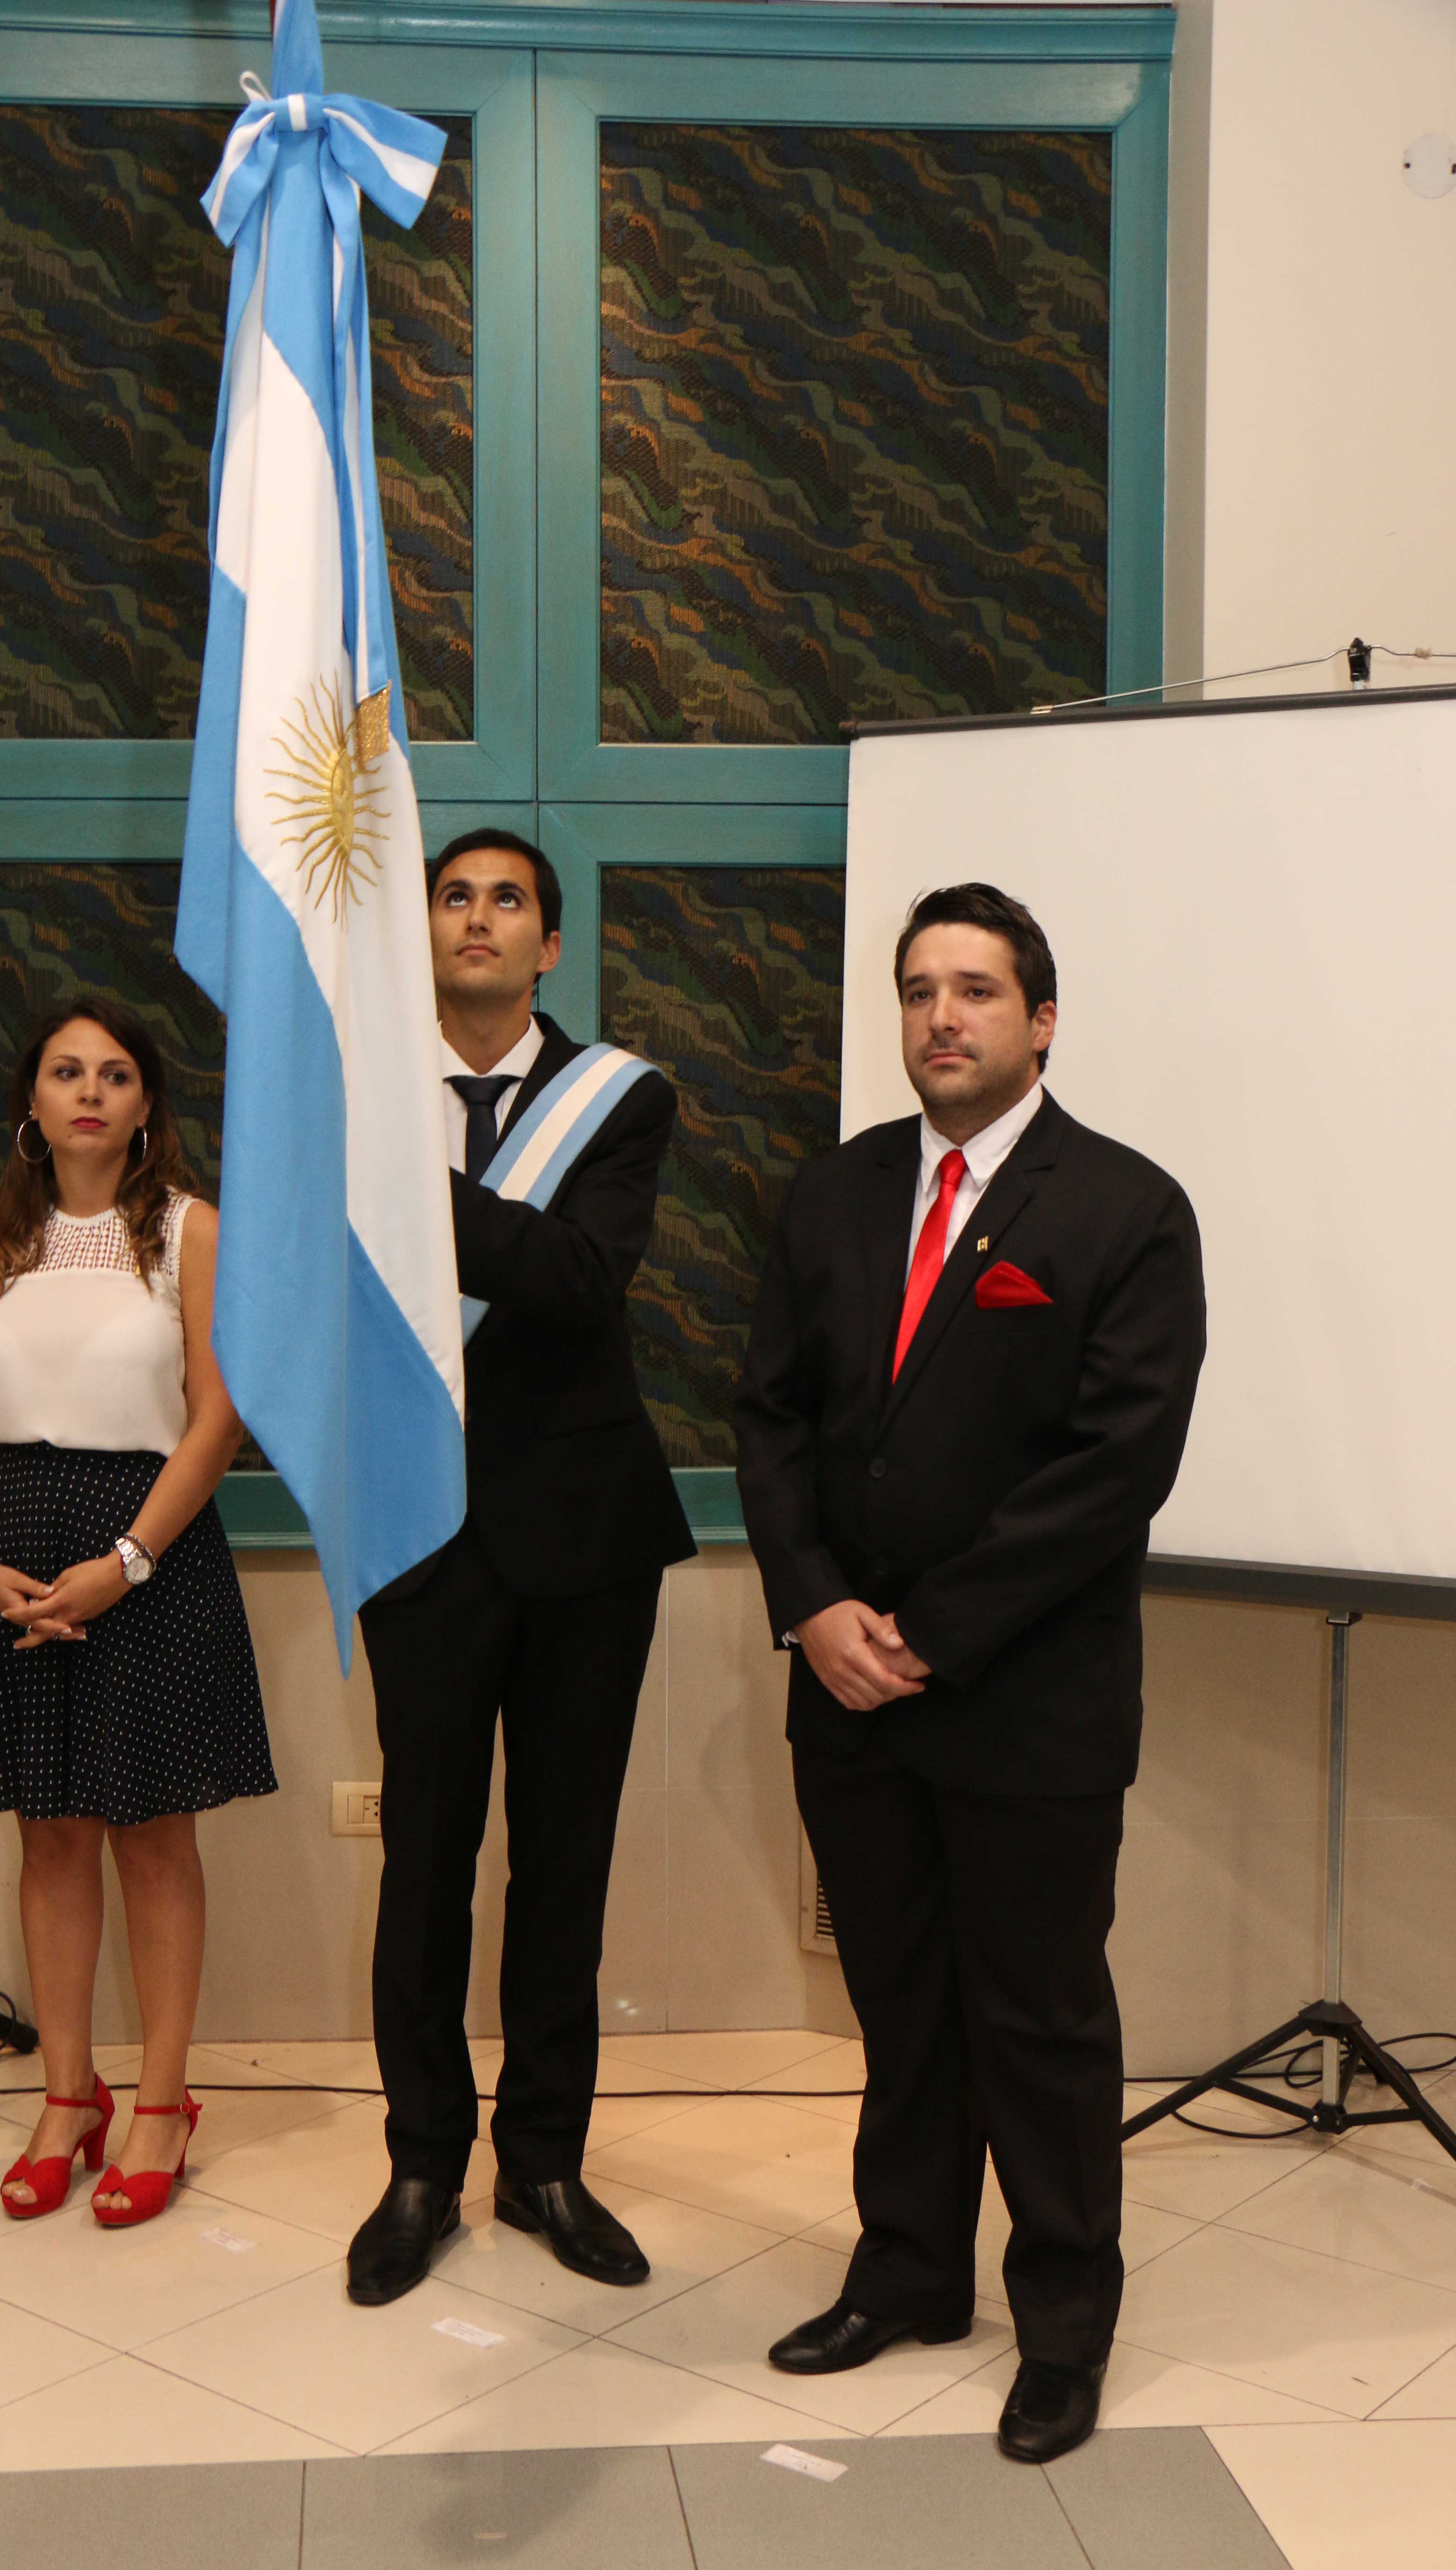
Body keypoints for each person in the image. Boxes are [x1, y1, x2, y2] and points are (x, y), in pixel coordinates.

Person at [735, 883, 1205, 2462]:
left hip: (1028, 1702)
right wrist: (815, 1608)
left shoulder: (1128, 1209)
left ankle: (1063, 2329)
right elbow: (770, 1418)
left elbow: (1114, 1466)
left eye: (979, 990)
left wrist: (929, 1632)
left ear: (1041, 1020)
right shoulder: (836, 1192)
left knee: (1040, 2021)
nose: (944, 1016)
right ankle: (910, 2273)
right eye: (921, 989)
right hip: (846, 1692)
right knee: (900, 2005)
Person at [346, 827, 696, 2306]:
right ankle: (422, 2165)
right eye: (452, 895)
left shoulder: (620, 1097)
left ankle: (545, 2160)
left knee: (564, 1867)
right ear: (420, 930)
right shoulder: (356, 1098)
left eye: (508, 901)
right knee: (424, 1867)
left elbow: (578, 1281)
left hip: (588, 1540)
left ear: (550, 945)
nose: (477, 918)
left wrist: (401, 1189)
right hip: (416, 1531)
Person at [0, 997, 273, 2227]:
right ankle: (68, 2100)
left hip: (151, 1552)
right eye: (66, 1071)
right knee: (51, 1837)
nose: (89, 1091)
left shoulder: (192, 1232)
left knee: (153, 1839)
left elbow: (217, 1421)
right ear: (32, 1099)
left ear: (145, 1106)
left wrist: (124, 1562)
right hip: (15, 1561)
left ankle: (163, 2105)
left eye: (115, 1074)